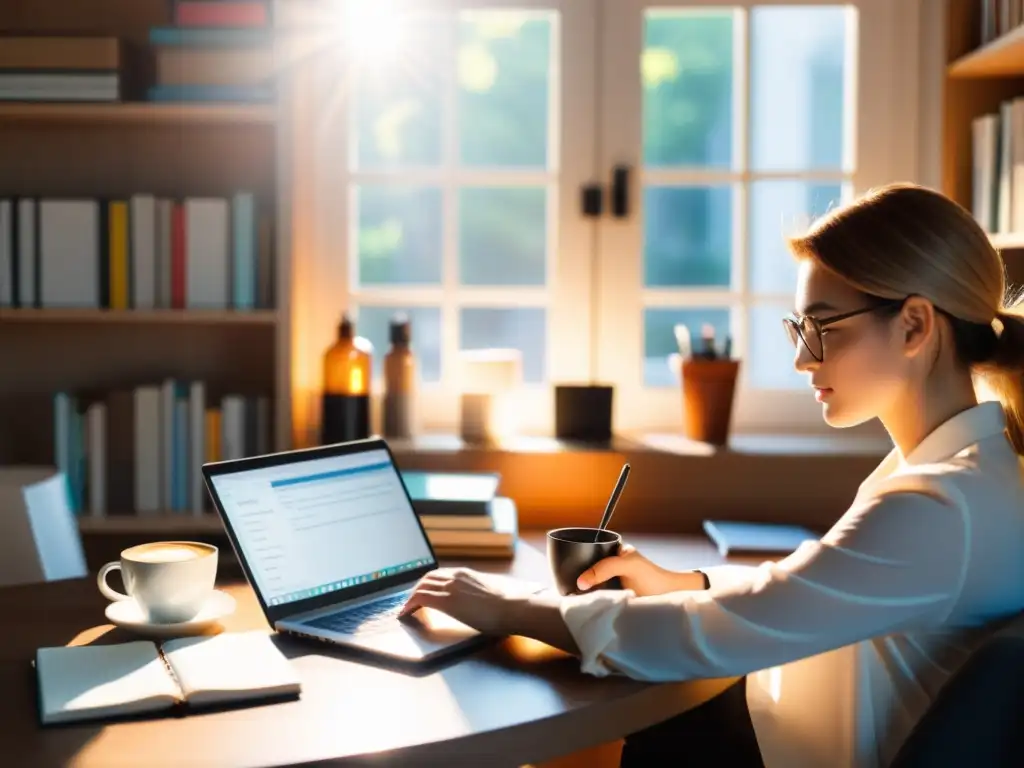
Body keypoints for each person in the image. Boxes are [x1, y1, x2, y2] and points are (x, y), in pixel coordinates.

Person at [398, 183, 1024, 768]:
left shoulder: (941, 507)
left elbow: (705, 634)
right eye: (799, 328)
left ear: (914, 325)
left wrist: (511, 605)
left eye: (823, 327)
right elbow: (818, 589)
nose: (803, 357)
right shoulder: (970, 475)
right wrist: (688, 581)